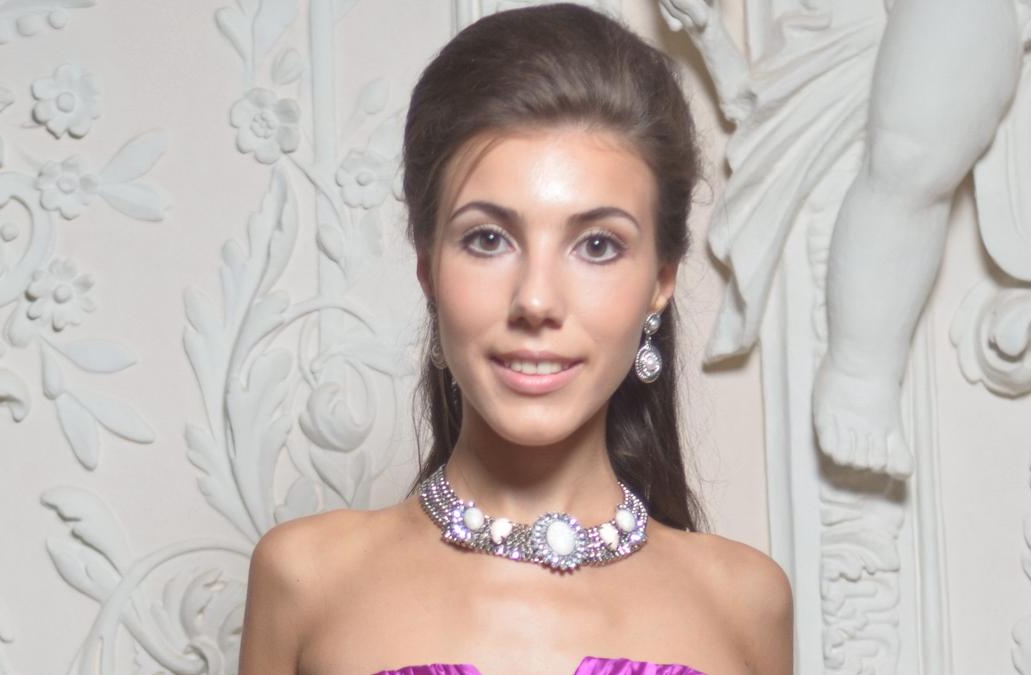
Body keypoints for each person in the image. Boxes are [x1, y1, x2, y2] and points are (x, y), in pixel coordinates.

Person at [237, 5, 793, 674]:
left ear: (661, 279)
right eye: (488, 239)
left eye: (597, 245)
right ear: (428, 268)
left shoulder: (747, 604)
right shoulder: (304, 579)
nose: (535, 300)